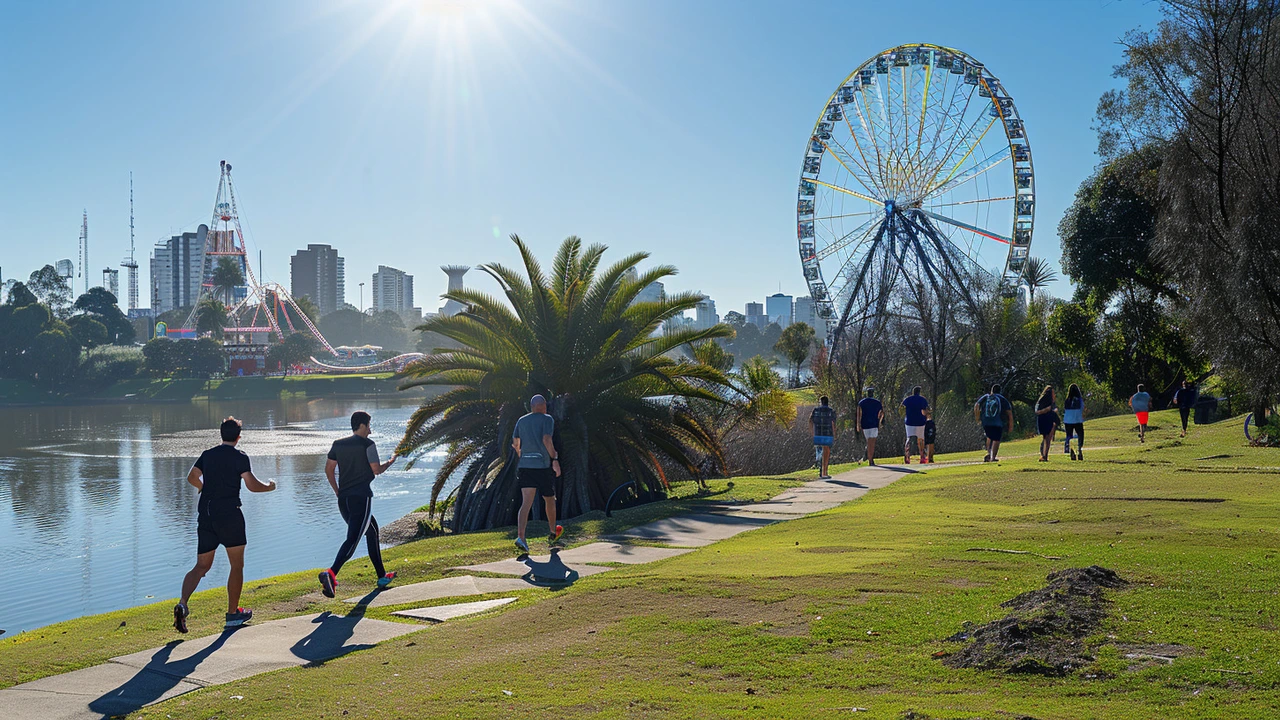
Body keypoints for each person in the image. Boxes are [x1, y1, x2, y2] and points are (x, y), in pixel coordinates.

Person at [174, 416, 276, 633]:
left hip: (207, 515)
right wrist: (269, 487)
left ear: (221, 434)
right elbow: (252, 486)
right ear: (238, 437)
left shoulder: (208, 455)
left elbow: (192, 476)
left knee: (202, 566)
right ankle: (232, 614)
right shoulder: (240, 457)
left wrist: (202, 488)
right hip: (230, 516)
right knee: (236, 565)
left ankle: (183, 603)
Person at [318, 411, 399, 599]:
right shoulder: (368, 445)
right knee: (353, 540)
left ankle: (381, 576)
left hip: (344, 500)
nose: (370, 431)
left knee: (372, 530)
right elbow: (376, 469)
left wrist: (337, 491)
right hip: (361, 499)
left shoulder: (338, 444)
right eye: (369, 426)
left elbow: (328, 469)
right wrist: (391, 461)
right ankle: (330, 573)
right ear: (362, 425)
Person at [513, 394, 563, 553]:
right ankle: (553, 533)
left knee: (526, 503)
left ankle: (521, 538)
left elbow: (515, 444)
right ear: (544, 407)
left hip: (525, 466)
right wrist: (554, 458)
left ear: (531, 406)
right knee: (549, 500)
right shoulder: (547, 419)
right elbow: (547, 439)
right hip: (542, 466)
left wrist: (522, 455)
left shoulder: (521, 420)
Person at [974, 384, 1014, 462]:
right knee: (996, 439)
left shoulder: (985, 397)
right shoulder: (1002, 398)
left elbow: (976, 405)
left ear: (992, 390)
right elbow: (1009, 413)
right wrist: (1011, 426)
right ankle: (992, 457)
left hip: (985, 421)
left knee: (989, 436)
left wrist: (977, 417)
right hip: (997, 422)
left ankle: (989, 453)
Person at [810, 395, 837, 479]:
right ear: (827, 402)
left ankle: (821, 469)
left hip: (818, 433)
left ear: (820, 402)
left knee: (821, 451)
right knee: (827, 452)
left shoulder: (815, 410)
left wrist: (812, 432)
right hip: (827, 433)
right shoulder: (831, 411)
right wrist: (835, 434)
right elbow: (833, 423)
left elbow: (810, 420)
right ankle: (824, 471)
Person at [856, 387, 884, 466]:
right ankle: (870, 459)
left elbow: (858, 413)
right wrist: (879, 421)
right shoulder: (877, 402)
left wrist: (858, 424)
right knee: (872, 442)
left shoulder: (862, 402)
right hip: (874, 424)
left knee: (868, 441)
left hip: (865, 424)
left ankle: (869, 458)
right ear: (873, 393)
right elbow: (882, 413)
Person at [901, 386, 929, 465]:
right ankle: (922, 456)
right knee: (920, 439)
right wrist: (926, 416)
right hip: (920, 421)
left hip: (909, 421)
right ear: (919, 392)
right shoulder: (922, 399)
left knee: (909, 438)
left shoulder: (907, 399)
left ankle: (907, 456)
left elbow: (902, 408)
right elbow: (924, 411)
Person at [1034, 385, 1060, 462]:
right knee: (1046, 439)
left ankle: (1044, 455)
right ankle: (1044, 455)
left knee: (1047, 439)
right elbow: (1037, 411)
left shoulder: (1051, 402)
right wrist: (1046, 410)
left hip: (1049, 419)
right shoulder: (1042, 401)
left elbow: (1054, 409)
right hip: (1045, 420)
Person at [1062, 383, 1085, 460]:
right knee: (1080, 434)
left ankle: (1071, 450)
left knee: (1069, 435)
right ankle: (1079, 450)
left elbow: (1065, 409)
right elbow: (1082, 408)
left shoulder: (1067, 400)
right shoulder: (1079, 400)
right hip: (1077, 419)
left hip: (1068, 420)